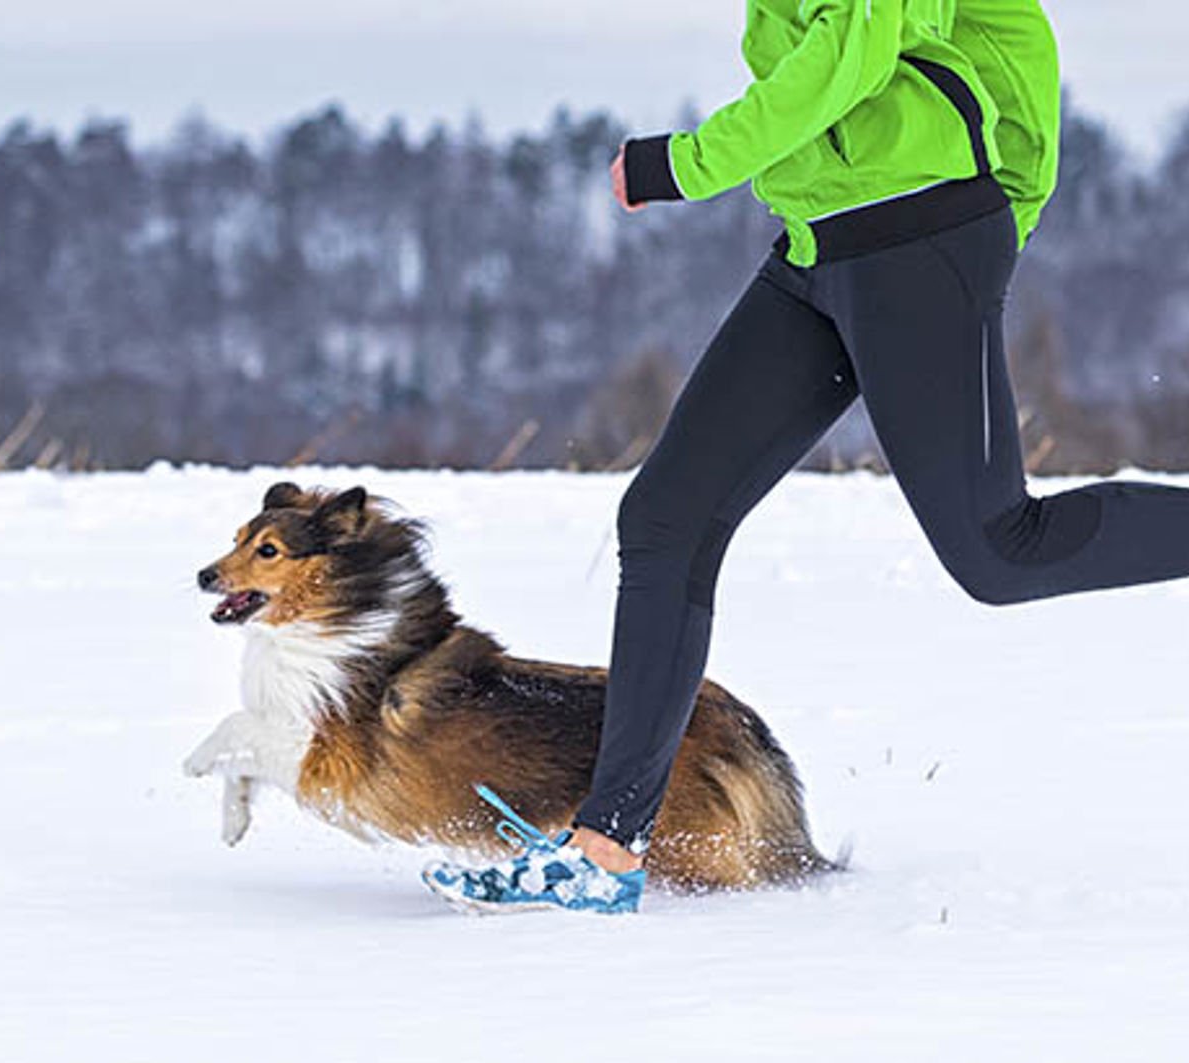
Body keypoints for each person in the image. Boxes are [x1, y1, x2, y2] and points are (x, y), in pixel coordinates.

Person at [422, 0, 1189, 915]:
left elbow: (855, 53)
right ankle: (606, 848)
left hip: (917, 230)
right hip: (819, 243)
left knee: (998, 549)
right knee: (667, 516)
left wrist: (690, 163)